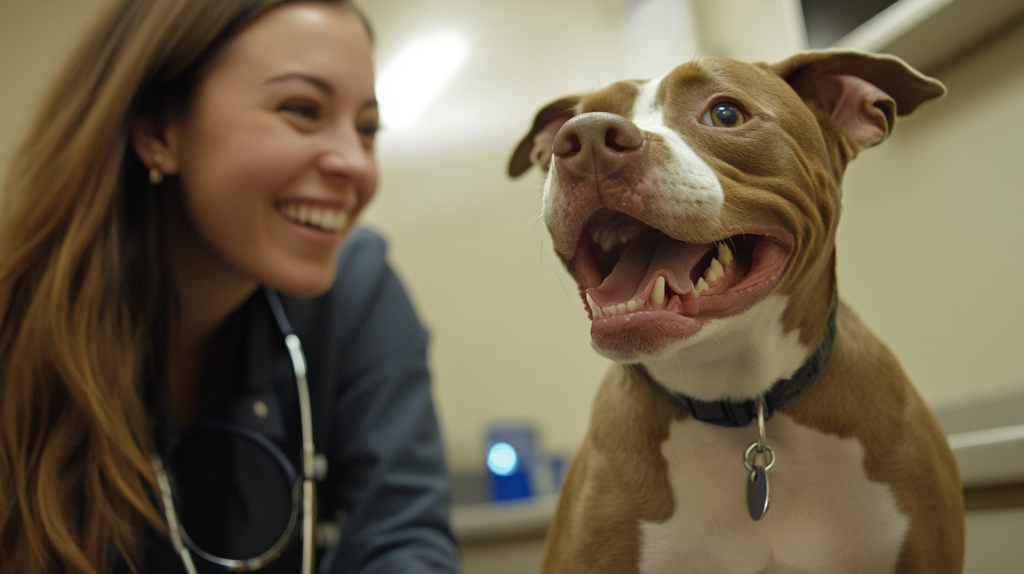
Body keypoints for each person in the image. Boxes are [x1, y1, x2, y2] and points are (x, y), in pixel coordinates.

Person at [0, 1, 460, 573]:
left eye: (367, 129)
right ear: (157, 126)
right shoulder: (16, 330)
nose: (356, 164)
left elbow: (404, 541)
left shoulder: (357, 289)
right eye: (301, 109)